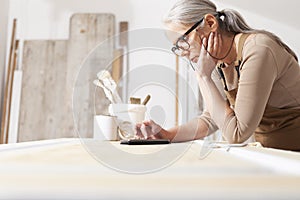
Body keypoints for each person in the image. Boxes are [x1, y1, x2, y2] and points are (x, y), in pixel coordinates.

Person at [136, 0, 300, 151]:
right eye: (177, 47)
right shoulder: (215, 60)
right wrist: (167, 134)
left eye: (183, 40)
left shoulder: (258, 50)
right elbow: (212, 118)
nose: (183, 52)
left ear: (210, 23)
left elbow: (237, 134)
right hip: (279, 154)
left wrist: (203, 77)